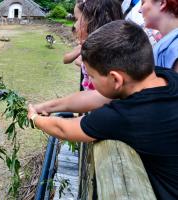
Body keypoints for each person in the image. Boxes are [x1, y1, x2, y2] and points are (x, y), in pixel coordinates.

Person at [28, 20, 178, 199]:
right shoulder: (164, 77)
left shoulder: (124, 117)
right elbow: (94, 97)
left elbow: (64, 129)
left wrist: (35, 118)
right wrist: (46, 107)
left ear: (115, 79)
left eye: (92, 76)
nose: (90, 83)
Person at [141, 0, 178, 70]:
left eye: (143, 2)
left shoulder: (175, 46)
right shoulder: (170, 42)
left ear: (162, 3)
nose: (139, 10)